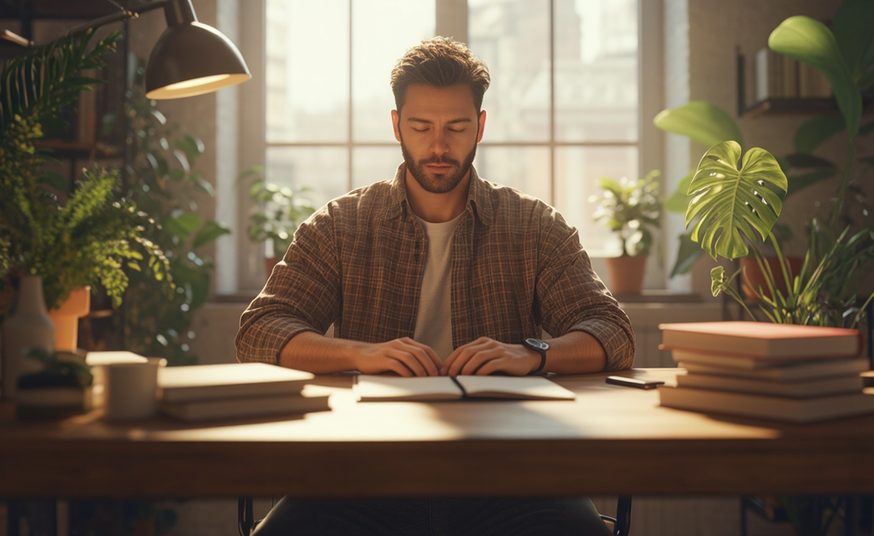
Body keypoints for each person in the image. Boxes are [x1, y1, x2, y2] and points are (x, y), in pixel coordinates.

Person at [236, 36, 634, 536]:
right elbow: (259, 330)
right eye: (422, 127)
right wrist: (360, 353)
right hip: (360, 470)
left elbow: (613, 331)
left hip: (512, 471)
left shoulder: (533, 225)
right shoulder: (342, 224)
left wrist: (532, 353)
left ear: (481, 128)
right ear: (397, 124)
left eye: (456, 127)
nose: (439, 146)